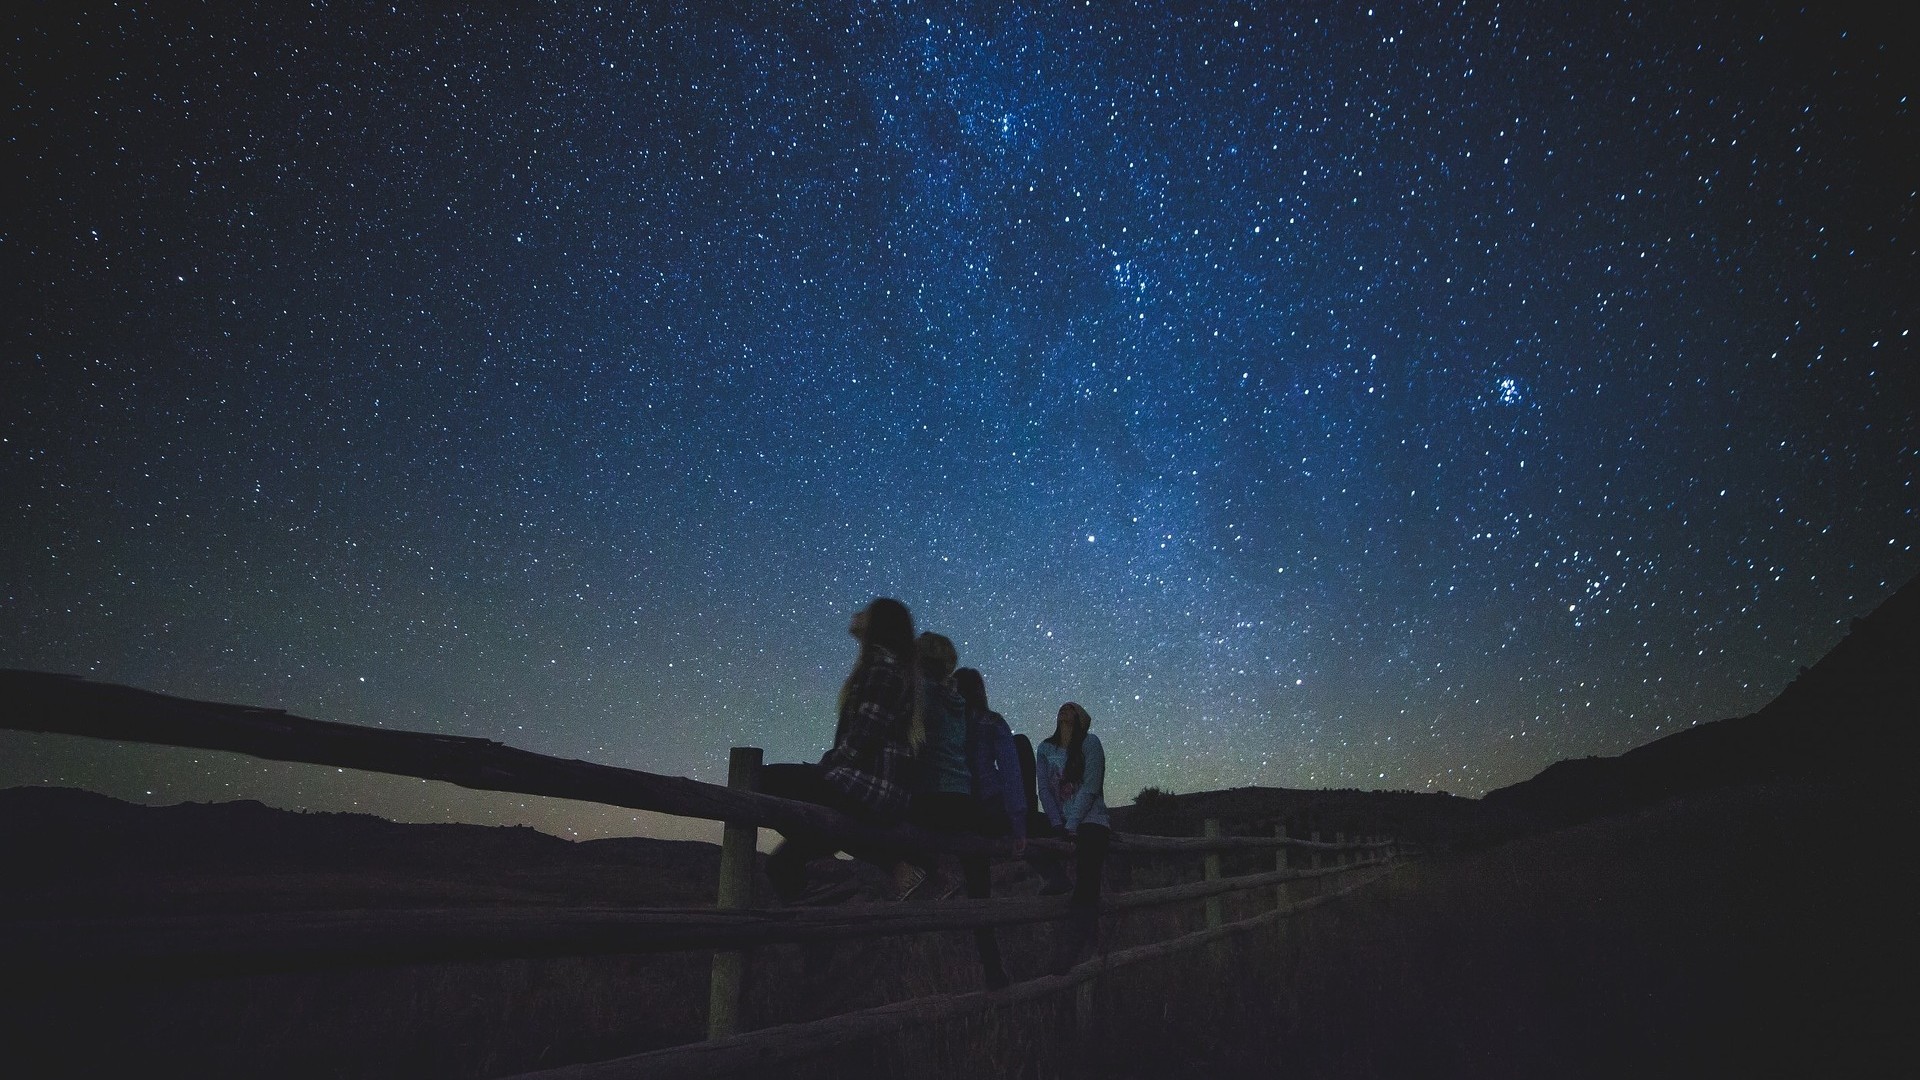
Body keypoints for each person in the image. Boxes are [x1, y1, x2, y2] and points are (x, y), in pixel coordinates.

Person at [760, 598, 920, 904]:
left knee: (761, 779)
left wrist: (824, 769)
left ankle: (893, 863)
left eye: (866, 611)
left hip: (871, 790)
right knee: (780, 866)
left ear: (879, 624)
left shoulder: (882, 667)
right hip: (870, 788)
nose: (856, 614)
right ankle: (825, 904)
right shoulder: (885, 667)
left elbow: (862, 740)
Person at [902, 640, 1010, 986]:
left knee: (883, 817)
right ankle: (994, 970)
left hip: (934, 797)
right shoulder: (961, 706)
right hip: (964, 801)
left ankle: (927, 871)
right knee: (980, 889)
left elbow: (914, 750)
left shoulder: (922, 698)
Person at [1034, 701, 1110, 974]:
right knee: (1030, 829)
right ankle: (1057, 880)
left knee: (1087, 882)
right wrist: (1057, 823)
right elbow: (1044, 789)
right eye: (1061, 707)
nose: (1065, 708)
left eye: (1072, 708)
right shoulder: (1044, 749)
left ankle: (1069, 950)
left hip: (1090, 820)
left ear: (1080, 719)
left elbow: (1090, 787)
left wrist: (1073, 824)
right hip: (1063, 822)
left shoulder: (1090, 744)